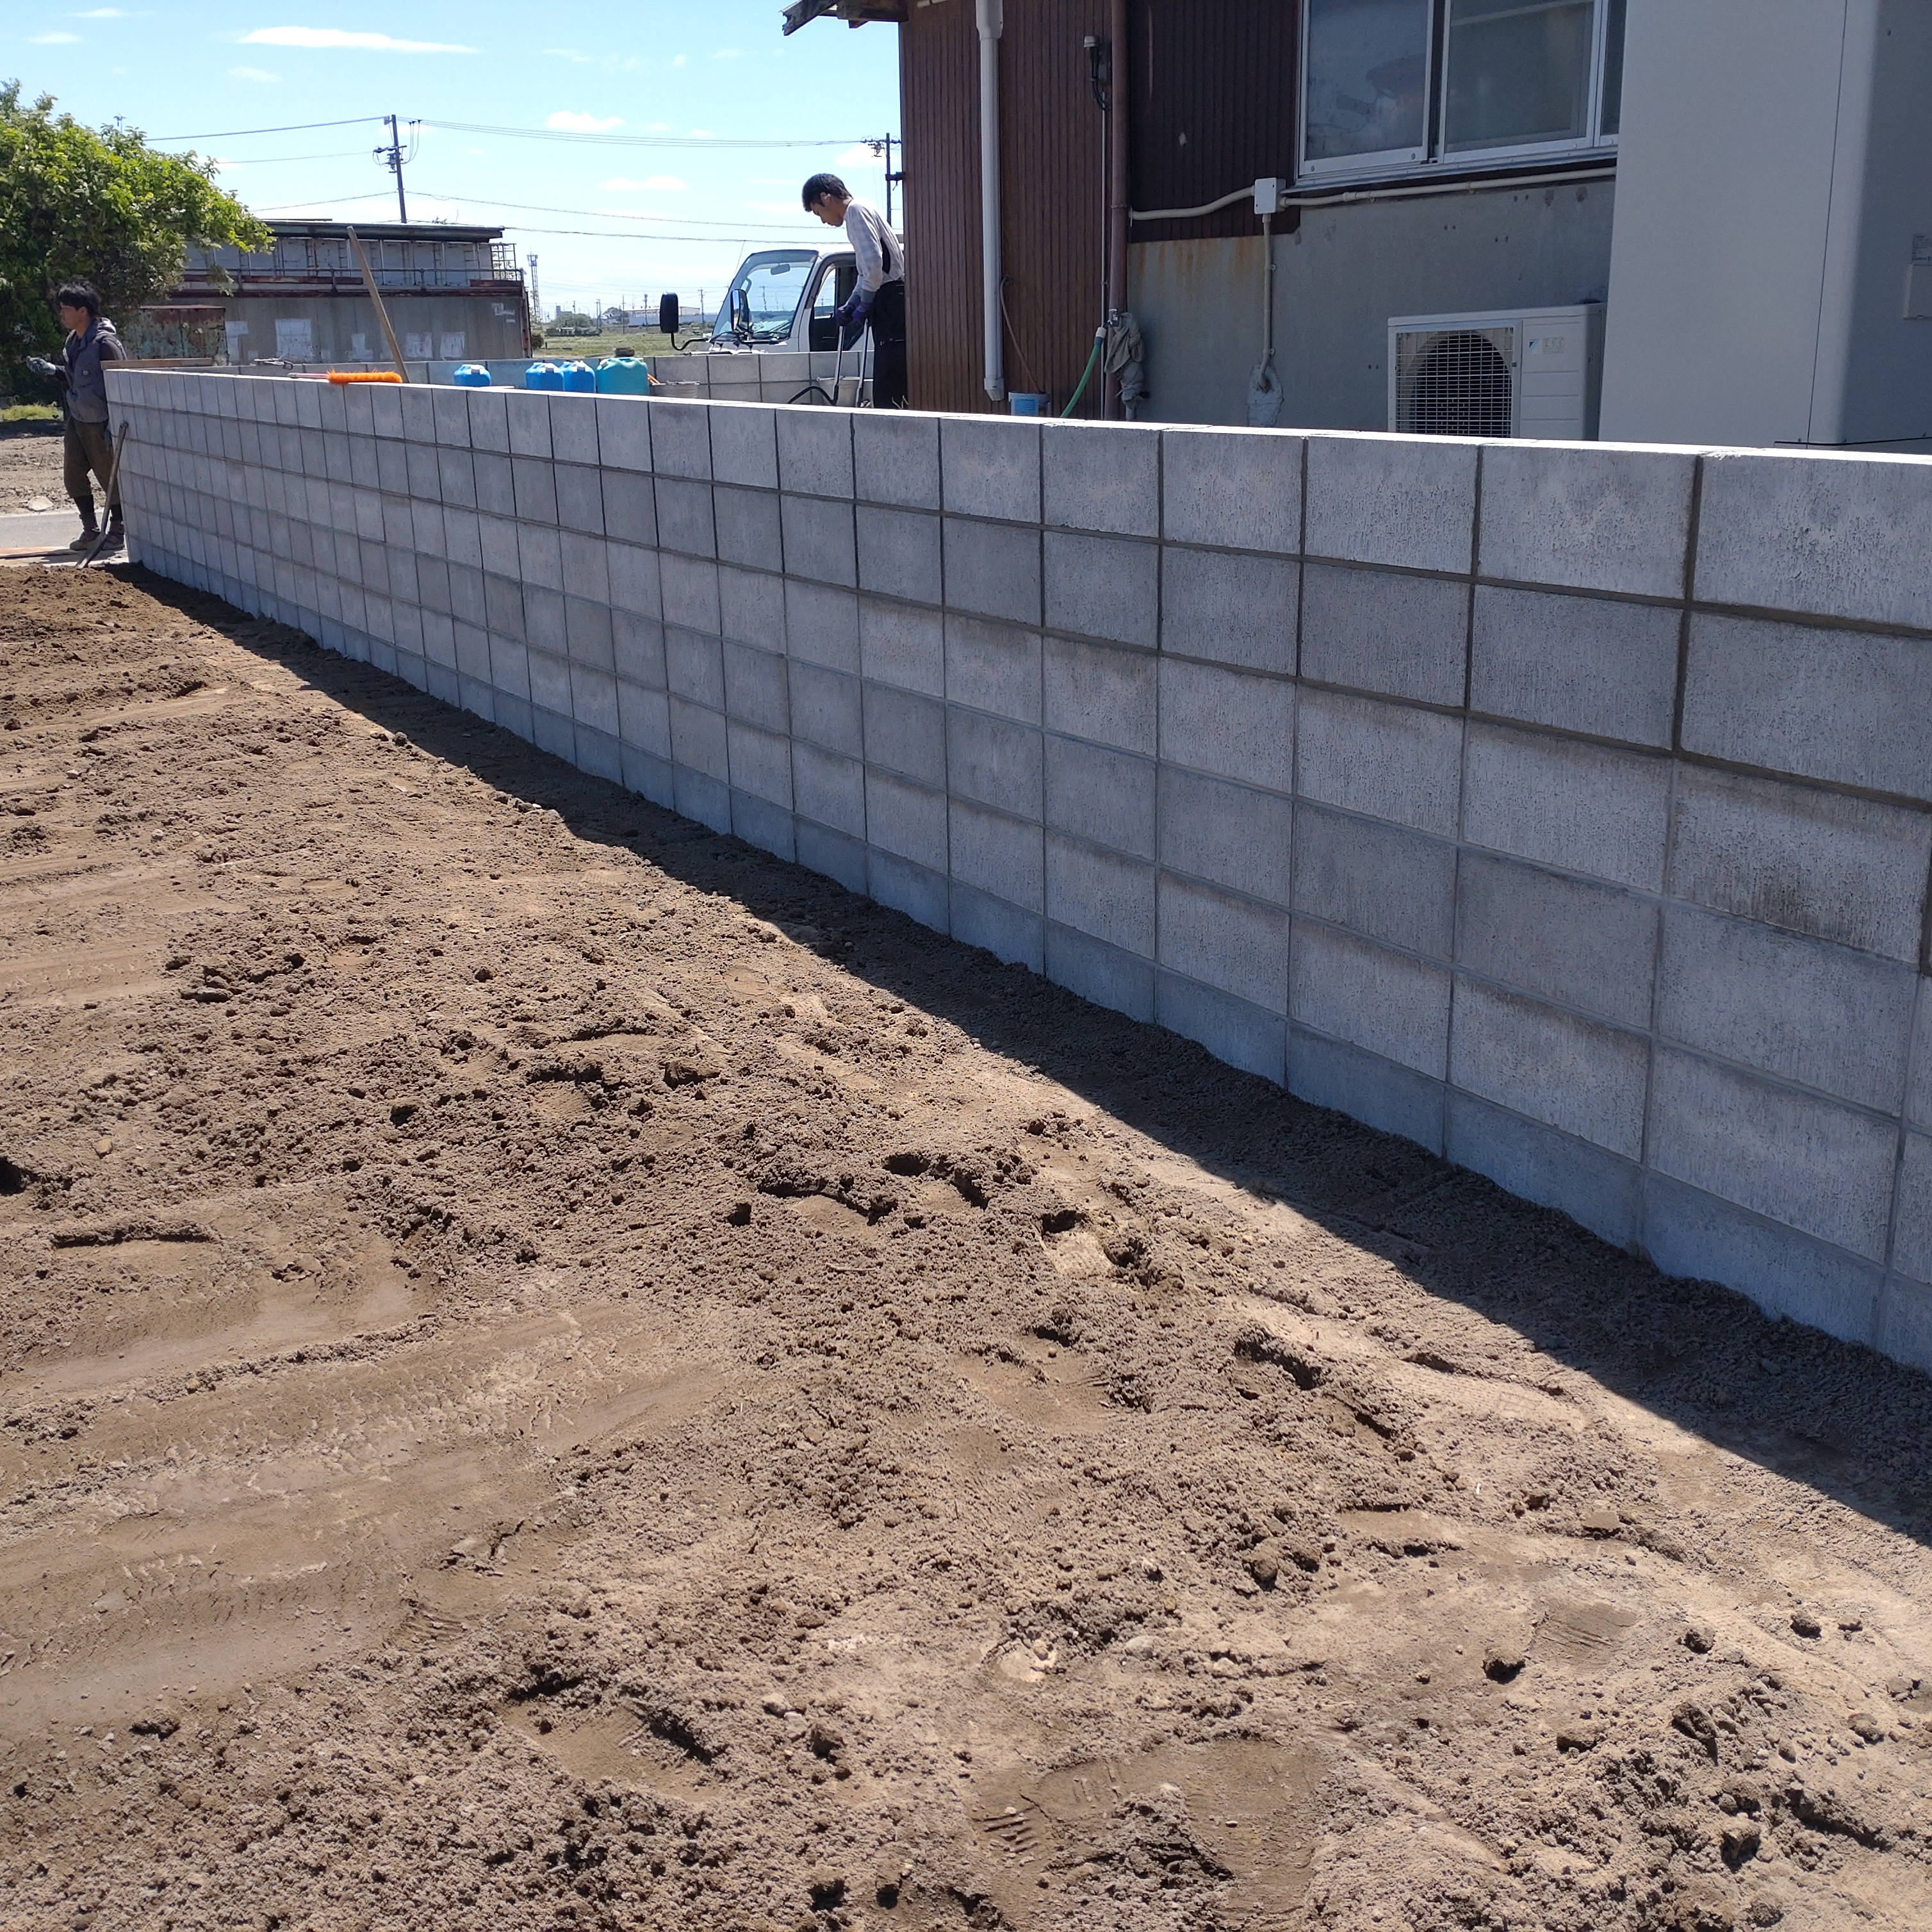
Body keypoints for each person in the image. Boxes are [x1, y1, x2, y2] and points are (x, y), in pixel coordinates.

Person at [801, 172, 908, 409]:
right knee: (889, 380)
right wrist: (852, 303)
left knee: (888, 388)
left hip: (889, 301)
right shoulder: (863, 207)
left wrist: (864, 304)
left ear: (826, 198)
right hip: (892, 298)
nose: (823, 221)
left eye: (819, 213)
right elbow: (866, 272)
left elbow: (874, 265)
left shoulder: (856, 213)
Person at [56, 282, 126, 552]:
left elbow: (120, 384)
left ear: (82, 311)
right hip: (78, 418)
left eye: (66, 309)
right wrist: (53, 371)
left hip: (101, 421)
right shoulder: (73, 342)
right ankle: (90, 529)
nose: (62, 314)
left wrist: (114, 424)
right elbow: (74, 379)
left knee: (109, 476)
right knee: (73, 474)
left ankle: (117, 531)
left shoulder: (105, 344)